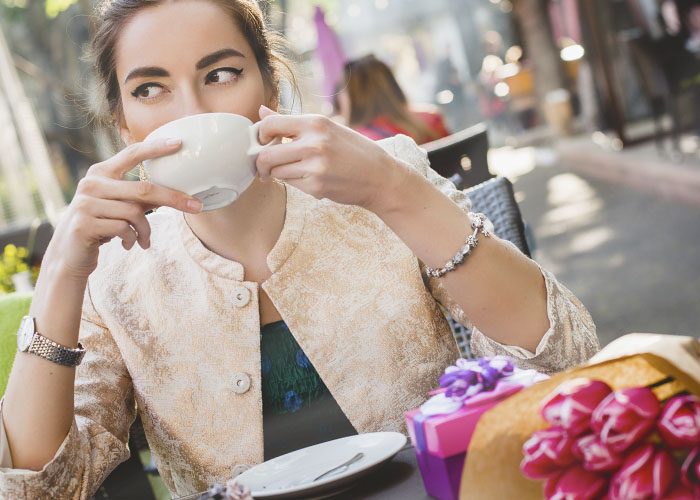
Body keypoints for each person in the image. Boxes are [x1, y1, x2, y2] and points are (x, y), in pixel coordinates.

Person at [0, 0, 599, 497]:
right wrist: (59, 270)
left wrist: (394, 190)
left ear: (271, 84)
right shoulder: (114, 277)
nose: (191, 114)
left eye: (221, 74)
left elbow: (564, 363)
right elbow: (37, 489)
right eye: (151, 89)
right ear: (123, 121)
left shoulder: (377, 178)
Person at [336, 54, 450, 144]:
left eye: (342, 89)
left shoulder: (359, 144)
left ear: (353, 97)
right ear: (391, 85)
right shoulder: (433, 119)